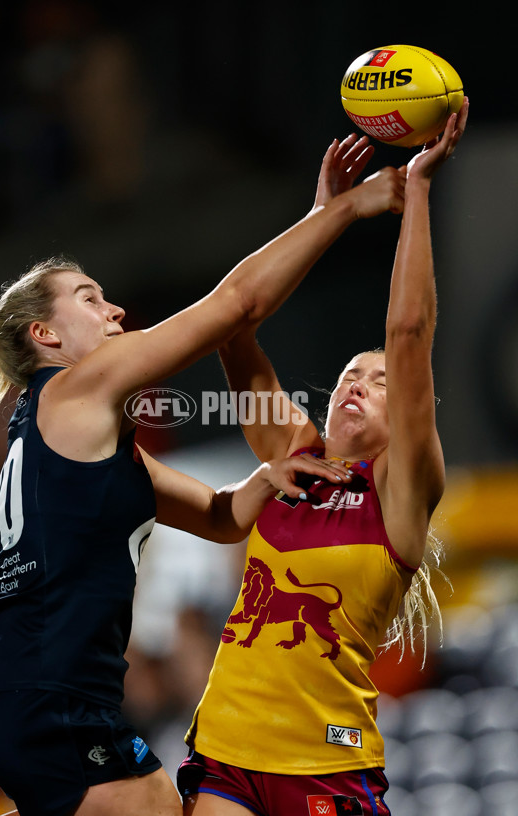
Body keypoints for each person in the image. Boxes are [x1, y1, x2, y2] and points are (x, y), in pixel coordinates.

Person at [0, 141, 405, 816]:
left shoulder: (83, 436)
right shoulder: (77, 387)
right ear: (45, 334)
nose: (114, 314)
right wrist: (338, 212)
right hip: (44, 690)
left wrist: (264, 476)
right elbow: (237, 304)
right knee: (157, 807)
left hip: (35, 690)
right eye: (90, 299)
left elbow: (221, 519)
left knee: (162, 804)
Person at [178, 98, 470, 816]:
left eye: (376, 383)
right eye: (348, 373)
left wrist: (420, 190)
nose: (356, 383)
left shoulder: (400, 490)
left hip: (327, 765)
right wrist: (322, 220)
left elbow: (406, 334)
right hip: (226, 752)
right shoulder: (292, 454)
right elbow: (232, 326)